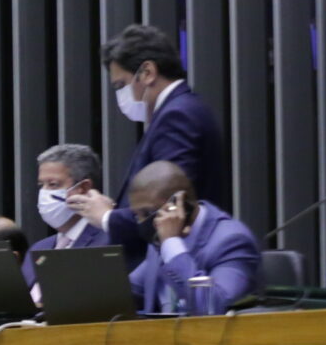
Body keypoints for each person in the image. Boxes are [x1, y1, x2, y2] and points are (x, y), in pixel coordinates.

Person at [70, 24, 227, 258]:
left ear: (148, 72)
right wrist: (114, 209)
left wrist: (108, 217)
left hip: (178, 266)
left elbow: (171, 205)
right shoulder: (181, 109)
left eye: (120, 85)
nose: (120, 96)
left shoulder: (177, 116)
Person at [125, 161, 259, 315]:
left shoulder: (233, 241)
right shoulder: (159, 239)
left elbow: (212, 309)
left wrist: (172, 244)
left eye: (147, 213)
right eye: (137, 216)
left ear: (179, 203)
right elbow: (128, 292)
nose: (142, 223)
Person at [23, 143, 109, 289]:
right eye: (41, 185)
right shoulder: (38, 248)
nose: (44, 193)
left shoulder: (107, 243)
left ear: (83, 188)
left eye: (53, 184)